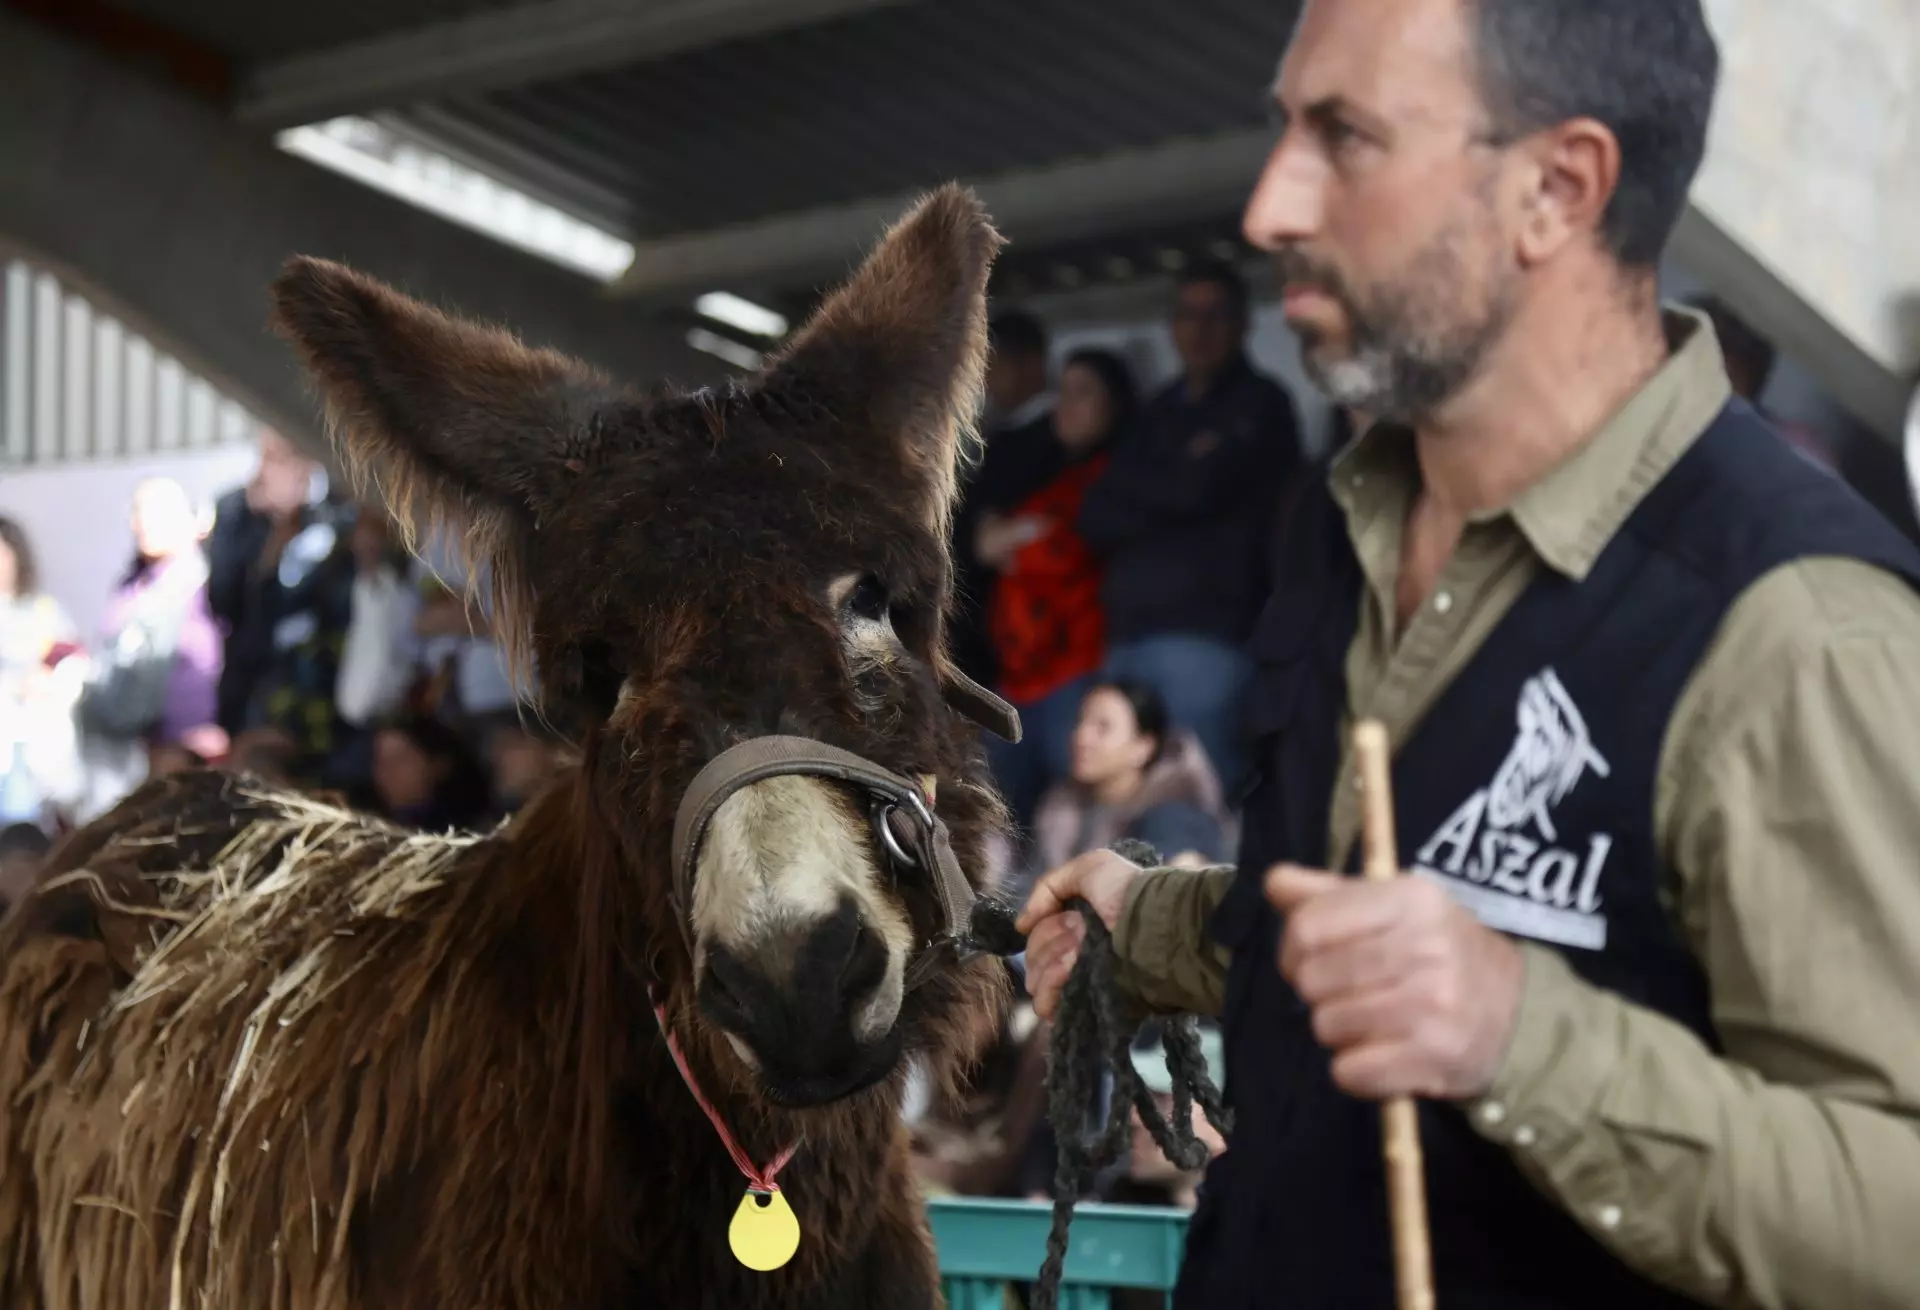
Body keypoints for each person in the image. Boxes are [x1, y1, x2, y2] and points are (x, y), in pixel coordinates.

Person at [1019, 2, 1920, 1307]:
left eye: (1348, 138)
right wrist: (1140, 920)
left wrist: (1522, 1037)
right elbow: (1353, 921)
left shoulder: (1800, 627)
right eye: (1287, 130)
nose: (1272, 203)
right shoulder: (1344, 525)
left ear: (1559, 189)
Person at [1077, 263, 1305, 794]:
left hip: (1210, 639)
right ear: (1172, 326)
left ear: (1243, 325)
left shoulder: (1262, 402)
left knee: (1193, 803)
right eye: (1188, 315)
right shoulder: (1157, 410)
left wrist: (1153, 489)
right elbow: (1095, 514)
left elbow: (1198, 488)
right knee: (1122, 809)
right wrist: (1180, 480)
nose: (1200, 328)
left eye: (1215, 315)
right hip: (1127, 636)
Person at [982, 348, 1135, 836]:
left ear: (1116, 405)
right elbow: (984, 544)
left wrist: (1016, 541)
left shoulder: (1117, 477)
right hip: (1018, 679)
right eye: (1062, 392)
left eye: (1083, 392)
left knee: (1076, 829)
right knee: (1003, 831)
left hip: (1075, 675)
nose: (1065, 405)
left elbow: (1056, 553)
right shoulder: (1046, 474)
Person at [949, 311, 1060, 694]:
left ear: (1033, 363)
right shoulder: (994, 437)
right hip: (985, 632)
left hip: (1032, 630)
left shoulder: (1053, 439)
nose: (986, 379)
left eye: (994, 364)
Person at [1031, 679, 1229, 878]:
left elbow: (1183, 878)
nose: (1081, 737)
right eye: (1080, 721)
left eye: (1103, 727)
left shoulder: (1174, 814)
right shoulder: (1063, 808)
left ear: (1143, 747)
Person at [0, 517, 78, 826]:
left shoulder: (43, 611)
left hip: (32, 749)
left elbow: (71, 661)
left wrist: (46, 679)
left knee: (21, 834)